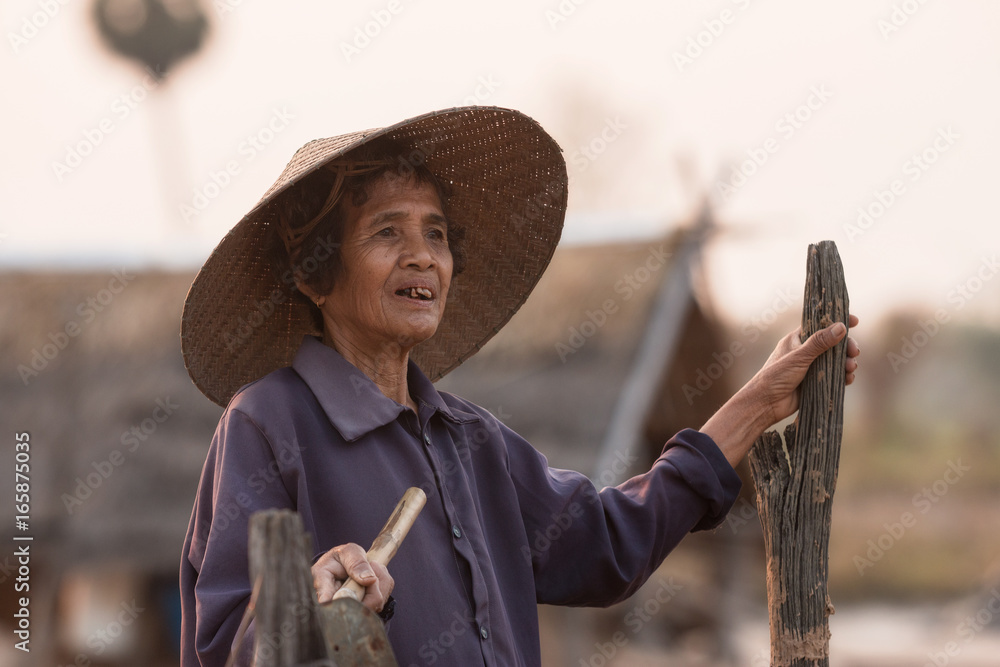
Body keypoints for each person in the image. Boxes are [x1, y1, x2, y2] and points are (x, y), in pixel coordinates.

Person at [178, 106, 859, 667]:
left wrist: (762, 400)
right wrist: (306, 603)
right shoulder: (270, 422)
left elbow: (606, 541)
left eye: (436, 235)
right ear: (313, 274)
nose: (422, 255)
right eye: (388, 232)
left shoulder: (469, 440)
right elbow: (224, 645)